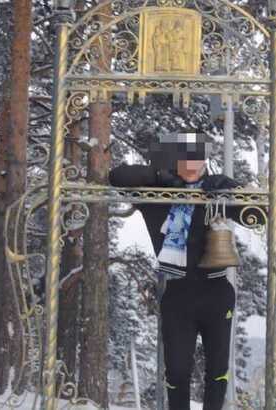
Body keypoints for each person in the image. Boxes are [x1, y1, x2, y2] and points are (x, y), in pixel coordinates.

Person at [109, 132, 255, 410]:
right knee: (176, 371)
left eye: (197, 159)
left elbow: (259, 212)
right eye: (184, 159)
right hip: (177, 296)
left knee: (217, 371)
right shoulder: (158, 196)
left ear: (205, 160)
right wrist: (160, 177)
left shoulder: (215, 194)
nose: (191, 165)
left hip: (217, 293)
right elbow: (117, 176)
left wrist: (230, 185)